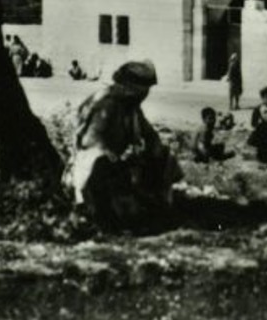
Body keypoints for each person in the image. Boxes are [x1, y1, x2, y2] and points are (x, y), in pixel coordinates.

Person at [68, 60, 184, 229]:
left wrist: (155, 150)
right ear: (131, 87)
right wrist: (117, 159)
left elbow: (149, 134)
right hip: (92, 164)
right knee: (103, 171)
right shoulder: (106, 104)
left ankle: (159, 205)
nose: (145, 95)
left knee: (164, 157)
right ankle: (95, 212)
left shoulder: (131, 106)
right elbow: (90, 142)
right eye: (143, 90)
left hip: (117, 162)